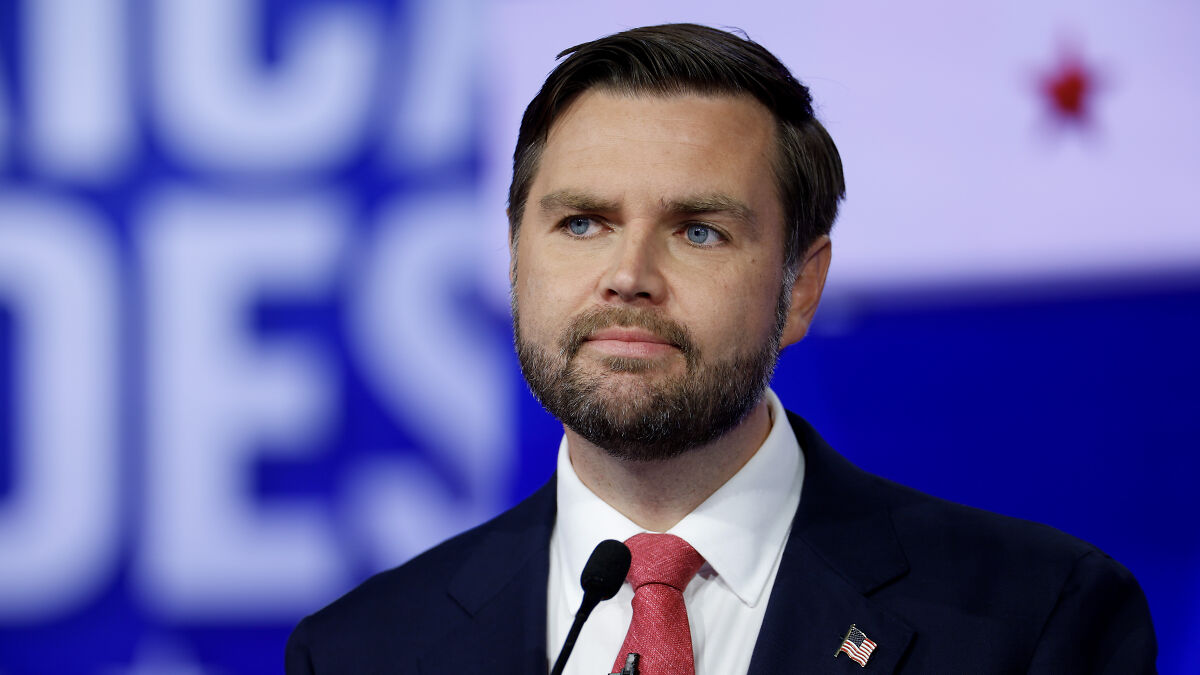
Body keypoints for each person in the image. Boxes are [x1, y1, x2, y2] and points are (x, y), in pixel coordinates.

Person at [285, 23, 1157, 674]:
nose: (628, 276)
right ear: (517, 257)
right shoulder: (361, 649)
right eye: (582, 223)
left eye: (698, 230)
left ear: (801, 287)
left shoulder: (1038, 620)